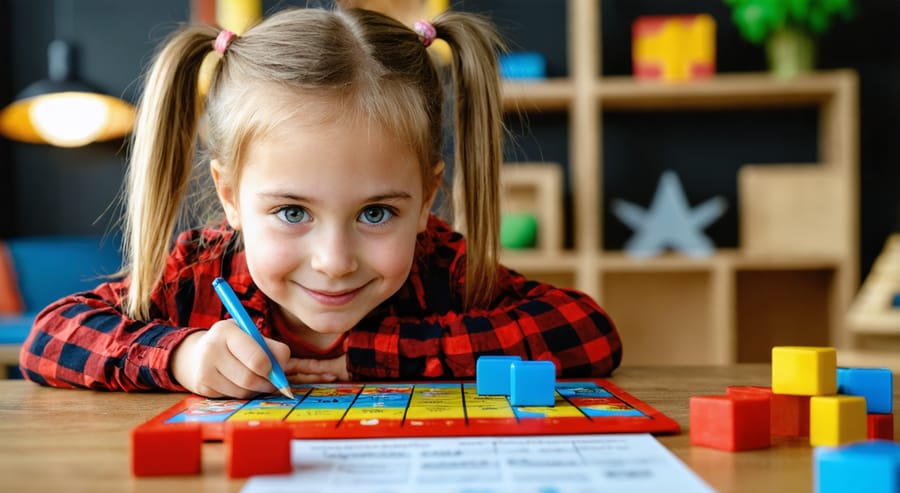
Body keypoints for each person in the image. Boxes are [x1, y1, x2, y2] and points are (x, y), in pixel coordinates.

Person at [18, 6, 622, 398]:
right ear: (230, 196)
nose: (334, 261)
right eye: (292, 212)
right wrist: (182, 356)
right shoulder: (196, 272)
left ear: (425, 201)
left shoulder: (442, 267)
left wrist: (373, 356)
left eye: (376, 213)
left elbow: (589, 333)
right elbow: (48, 337)